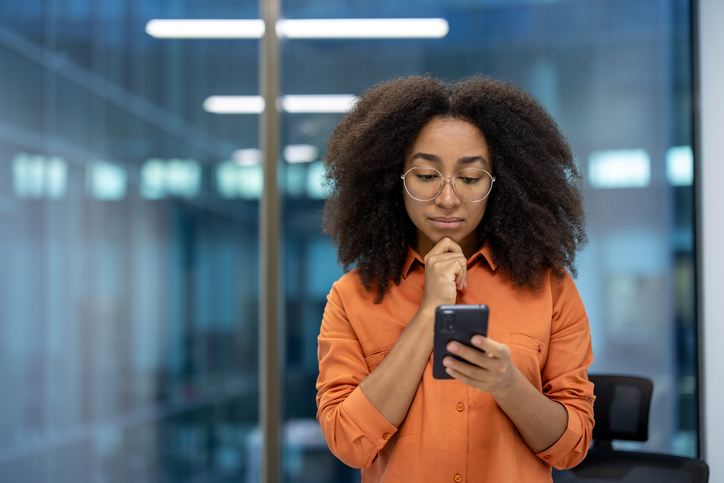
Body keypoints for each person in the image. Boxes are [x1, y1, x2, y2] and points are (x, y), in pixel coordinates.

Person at [316, 76, 594, 482]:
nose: (447, 199)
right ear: (393, 179)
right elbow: (347, 441)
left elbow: (573, 447)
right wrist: (429, 311)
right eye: (427, 176)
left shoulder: (550, 289)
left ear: (502, 184)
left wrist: (508, 385)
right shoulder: (351, 297)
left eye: (470, 178)